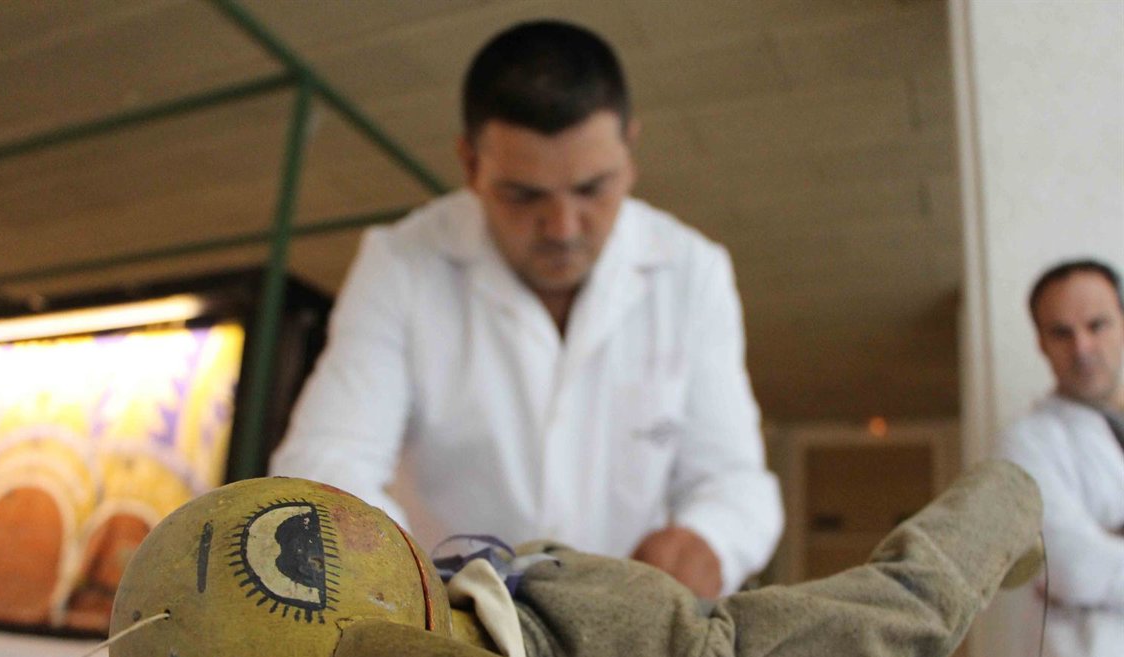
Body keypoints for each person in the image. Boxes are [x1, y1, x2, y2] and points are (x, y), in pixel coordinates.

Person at [269, 20, 782, 598]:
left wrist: (708, 542)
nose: (562, 229)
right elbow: (326, 459)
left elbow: (735, 483)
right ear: (470, 165)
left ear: (630, 151)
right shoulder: (401, 263)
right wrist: (408, 591)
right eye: (523, 194)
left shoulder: (692, 271)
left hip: (626, 630)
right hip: (446, 623)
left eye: (592, 189)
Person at [996, 258, 1124, 657]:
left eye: (1096, 325)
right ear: (1041, 343)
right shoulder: (1025, 443)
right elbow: (1073, 567)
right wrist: (1095, 551)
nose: (1082, 347)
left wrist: (1110, 539)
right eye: (1061, 332)